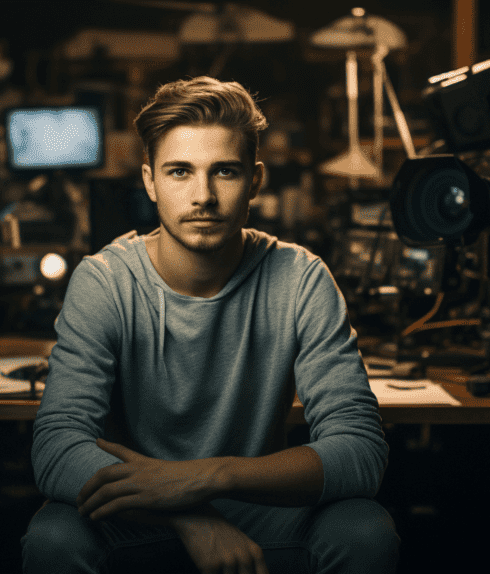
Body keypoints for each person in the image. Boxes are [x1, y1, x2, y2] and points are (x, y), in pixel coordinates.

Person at [22, 76, 399, 574]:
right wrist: (189, 516)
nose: (203, 195)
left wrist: (205, 478)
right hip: (140, 514)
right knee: (53, 537)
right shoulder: (105, 280)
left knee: (364, 530)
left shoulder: (300, 277)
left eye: (224, 171)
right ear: (150, 181)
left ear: (256, 181)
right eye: (180, 172)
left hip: (262, 511)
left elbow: (360, 449)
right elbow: (56, 447)